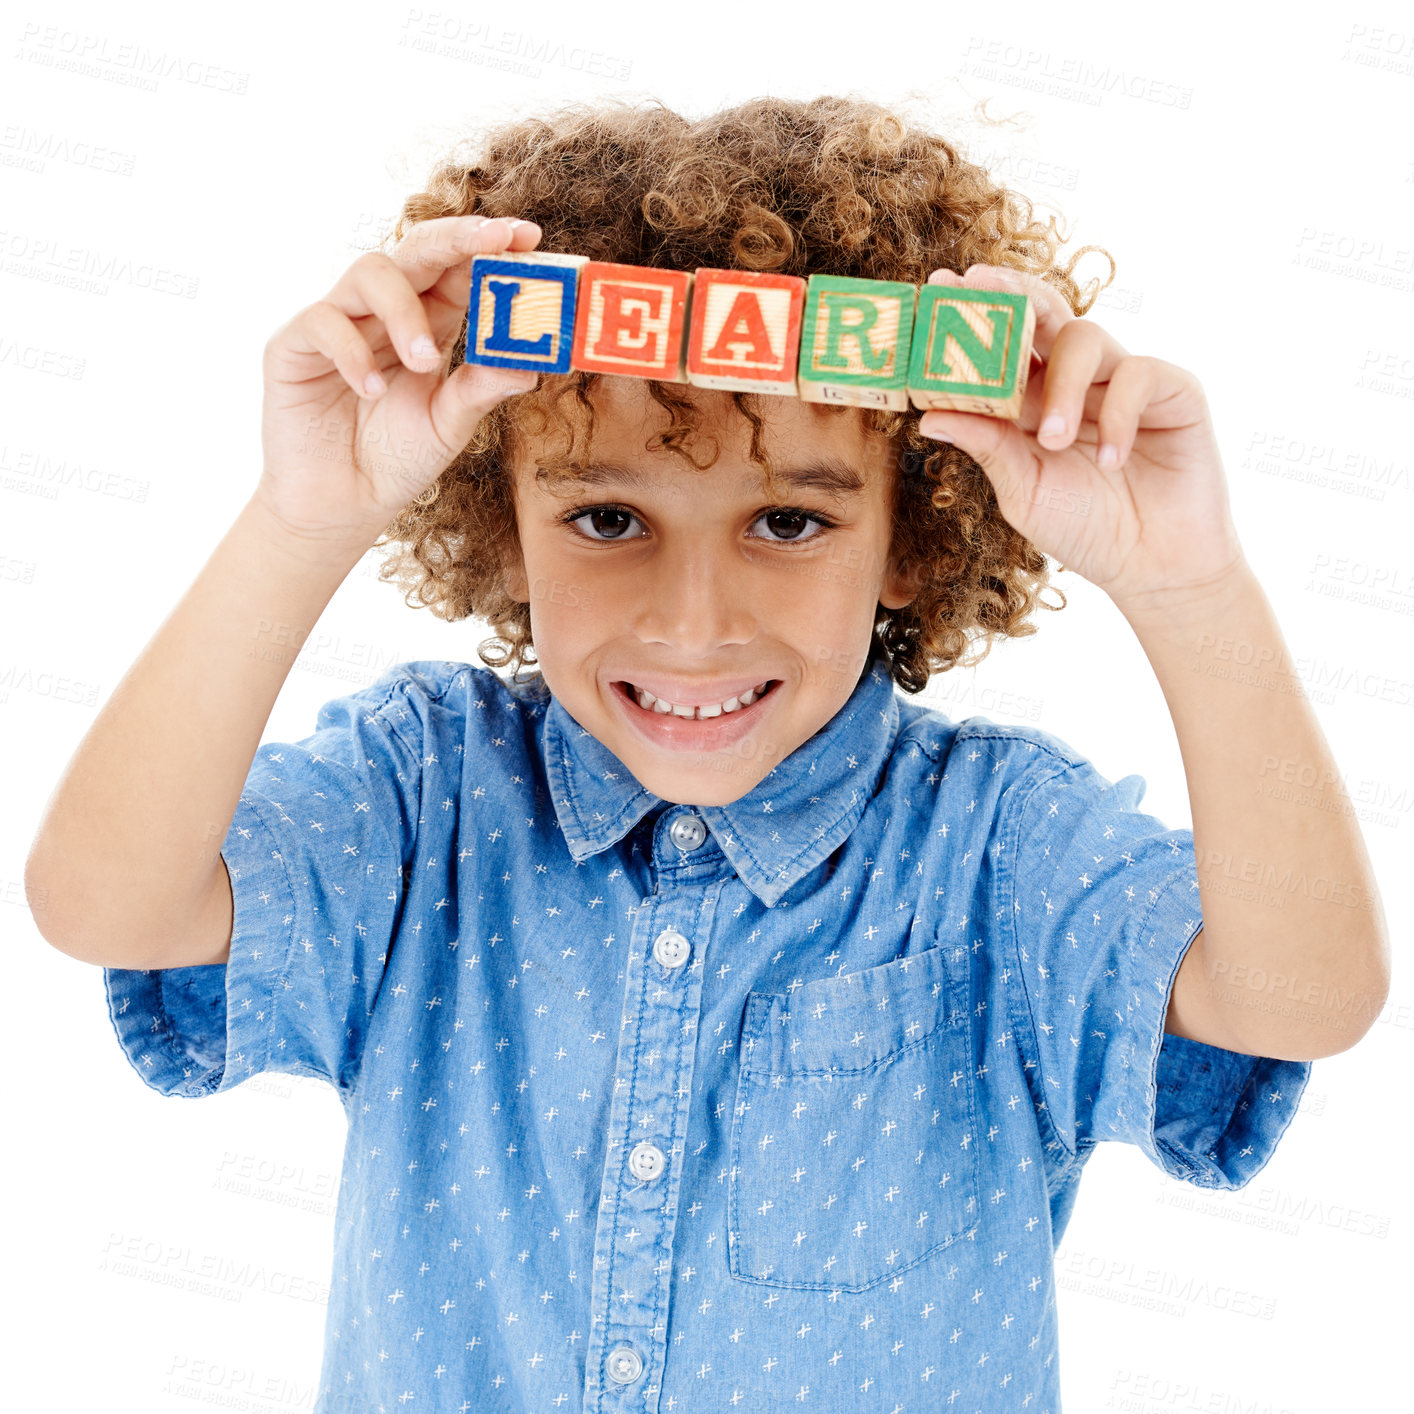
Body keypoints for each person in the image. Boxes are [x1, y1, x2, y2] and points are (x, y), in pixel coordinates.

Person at [27, 95, 1389, 1412]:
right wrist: (302, 513)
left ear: (912, 540)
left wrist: (1189, 587)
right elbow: (106, 900)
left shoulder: (998, 844)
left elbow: (1298, 1000)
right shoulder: (425, 790)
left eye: (788, 523)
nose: (690, 623)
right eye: (608, 518)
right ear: (499, 523)